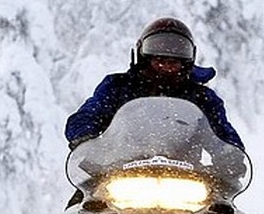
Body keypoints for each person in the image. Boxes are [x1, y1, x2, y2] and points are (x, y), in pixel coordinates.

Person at [64, 17, 244, 151]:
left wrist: (231, 152)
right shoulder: (117, 87)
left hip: (188, 176)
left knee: (221, 202)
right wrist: (85, 136)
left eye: (174, 62)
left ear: (186, 63)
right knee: (85, 200)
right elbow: (89, 113)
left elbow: (222, 132)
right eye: (160, 60)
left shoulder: (202, 97)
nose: (166, 66)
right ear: (144, 58)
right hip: (119, 170)